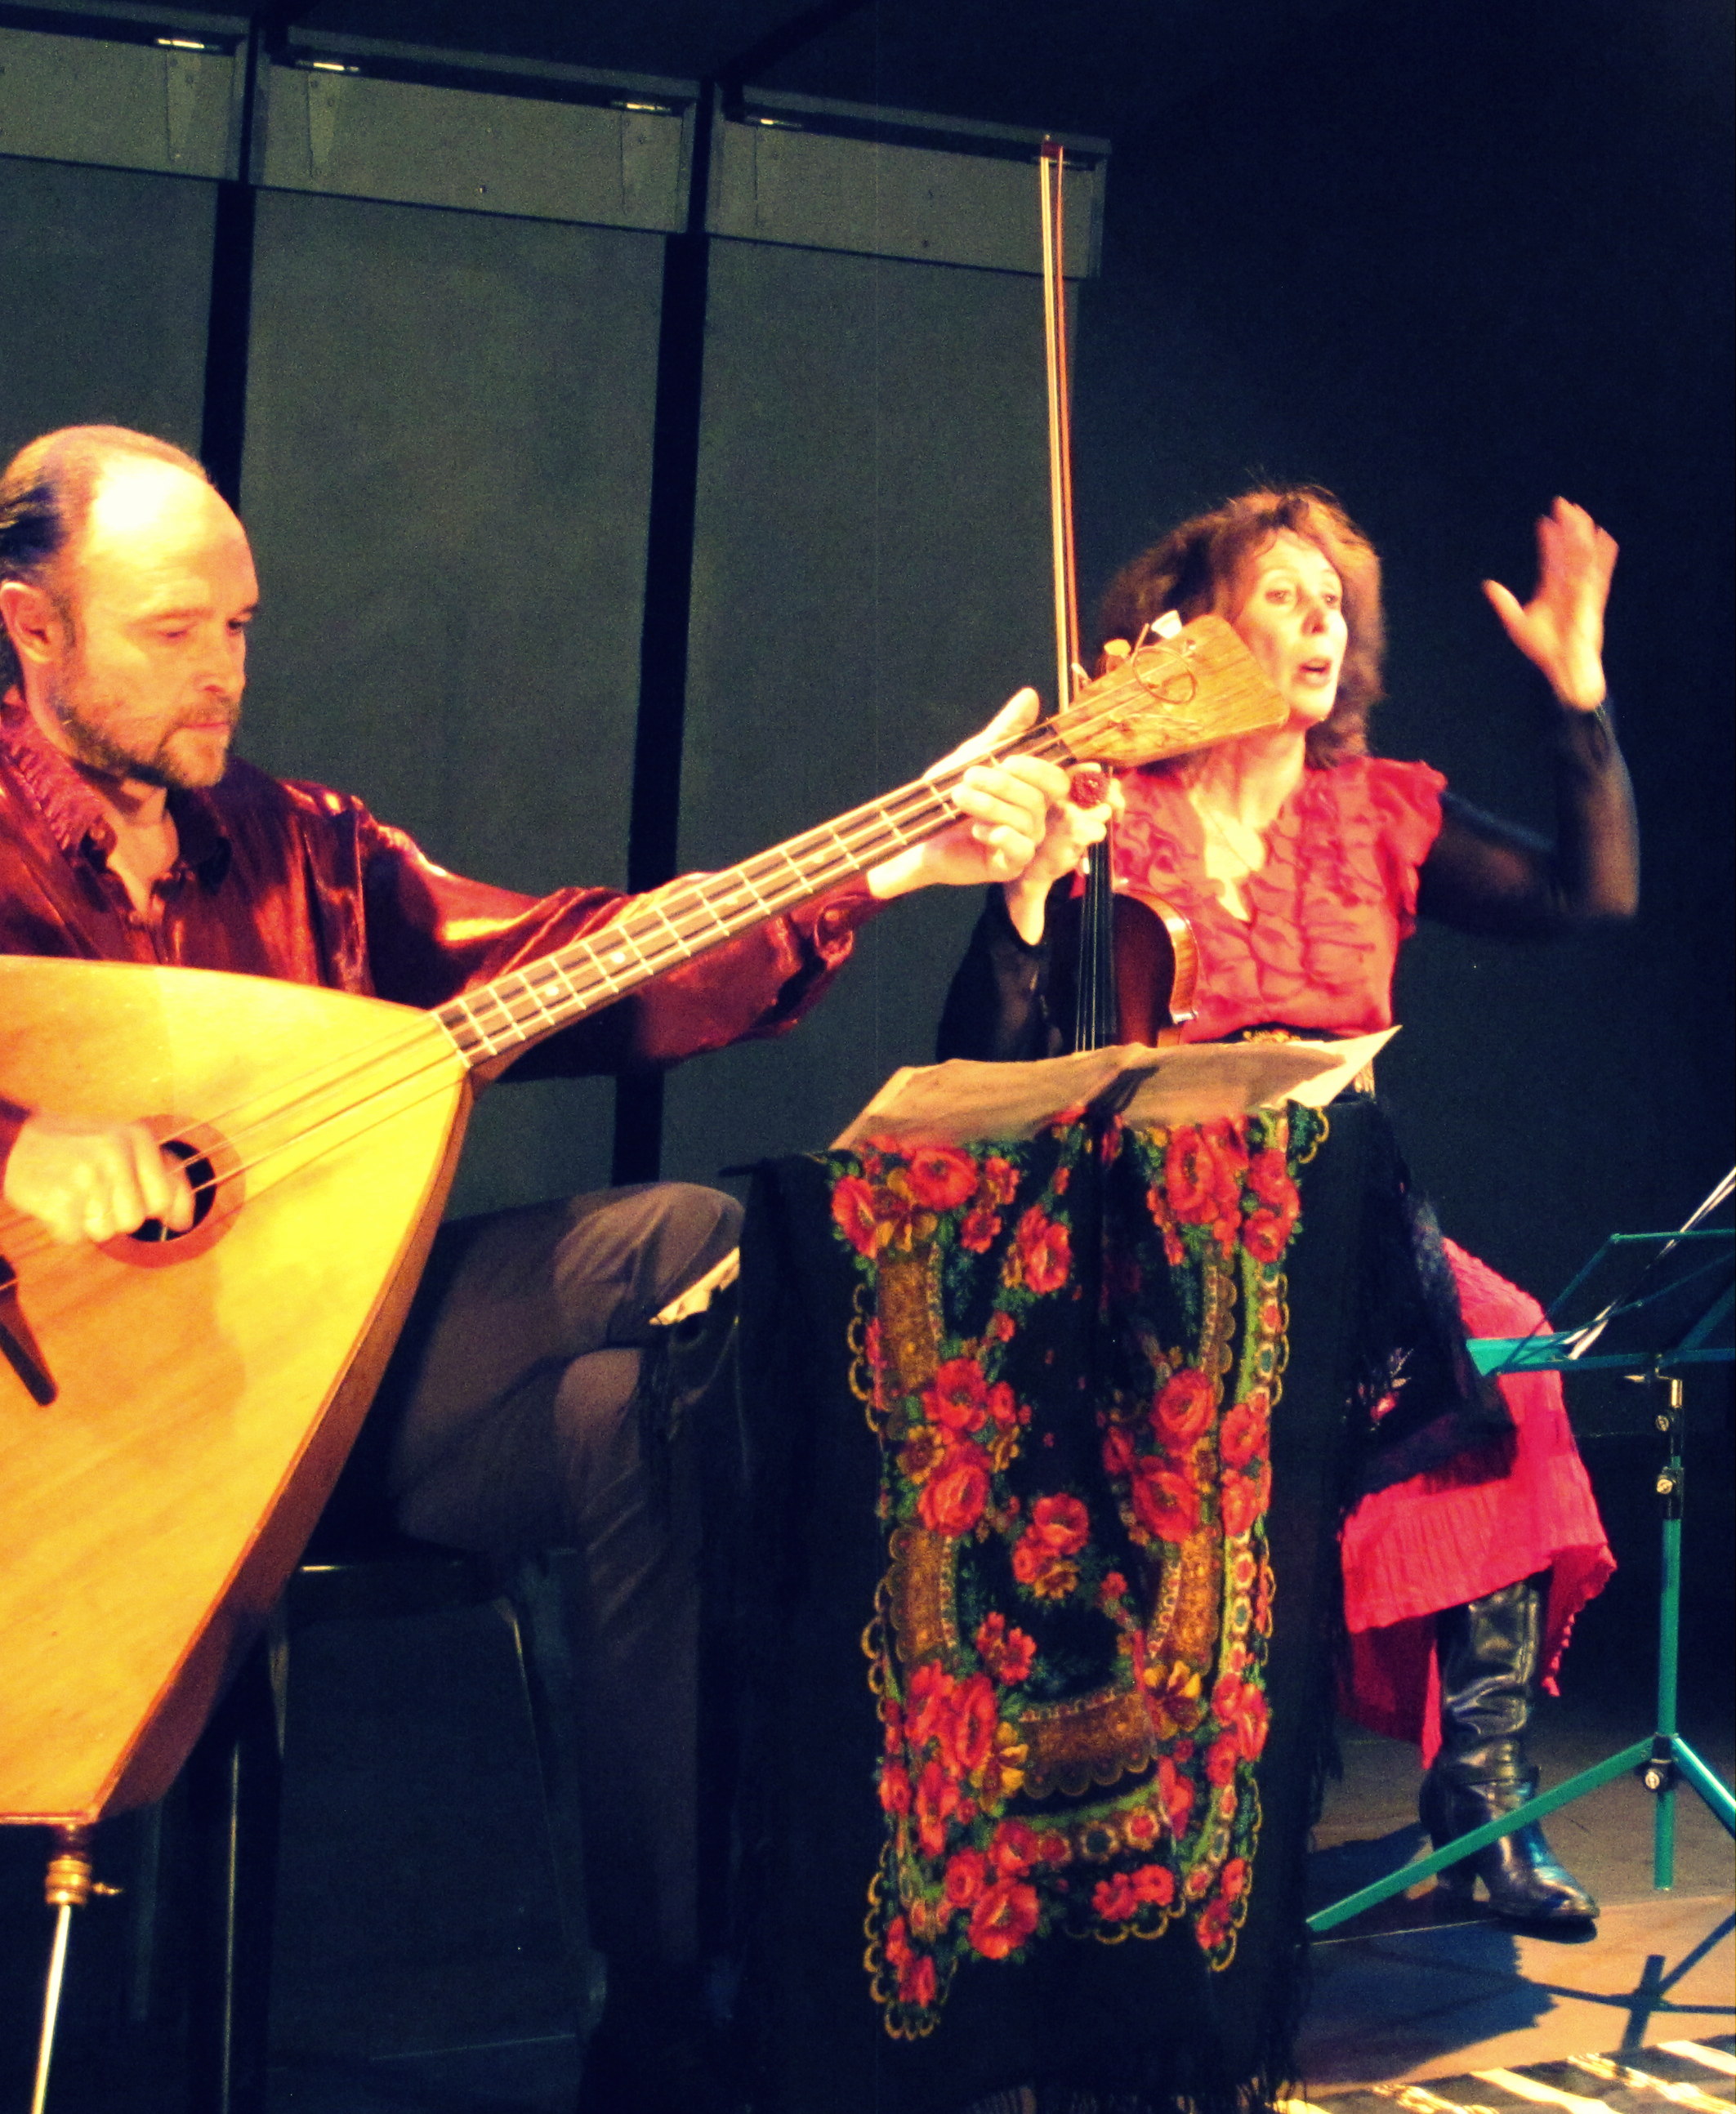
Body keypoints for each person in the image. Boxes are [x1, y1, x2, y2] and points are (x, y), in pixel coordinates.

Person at [0, 424, 1084, 2112]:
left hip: (327, 1398)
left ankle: (665, 2018)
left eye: (241, 626)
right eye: (172, 631)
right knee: (628, 1397)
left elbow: (578, 961)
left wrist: (889, 861)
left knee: (663, 1315)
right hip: (76, 1451)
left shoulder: (305, 849)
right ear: (33, 628)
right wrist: (15, 1143)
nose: (222, 669)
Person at [938, 485, 1638, 1929]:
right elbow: (993, 1059)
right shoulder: (1113, 811)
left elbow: (1592, 895)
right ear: (1195, 627)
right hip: (1162, 1239)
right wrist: (1031, 882)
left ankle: (1481, 1800)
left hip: (1346, 1230)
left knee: (1508, 1356)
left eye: (1334, 604)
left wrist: (1576, 694)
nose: (1320, 623)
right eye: (1282, 595)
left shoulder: (1375, 813)